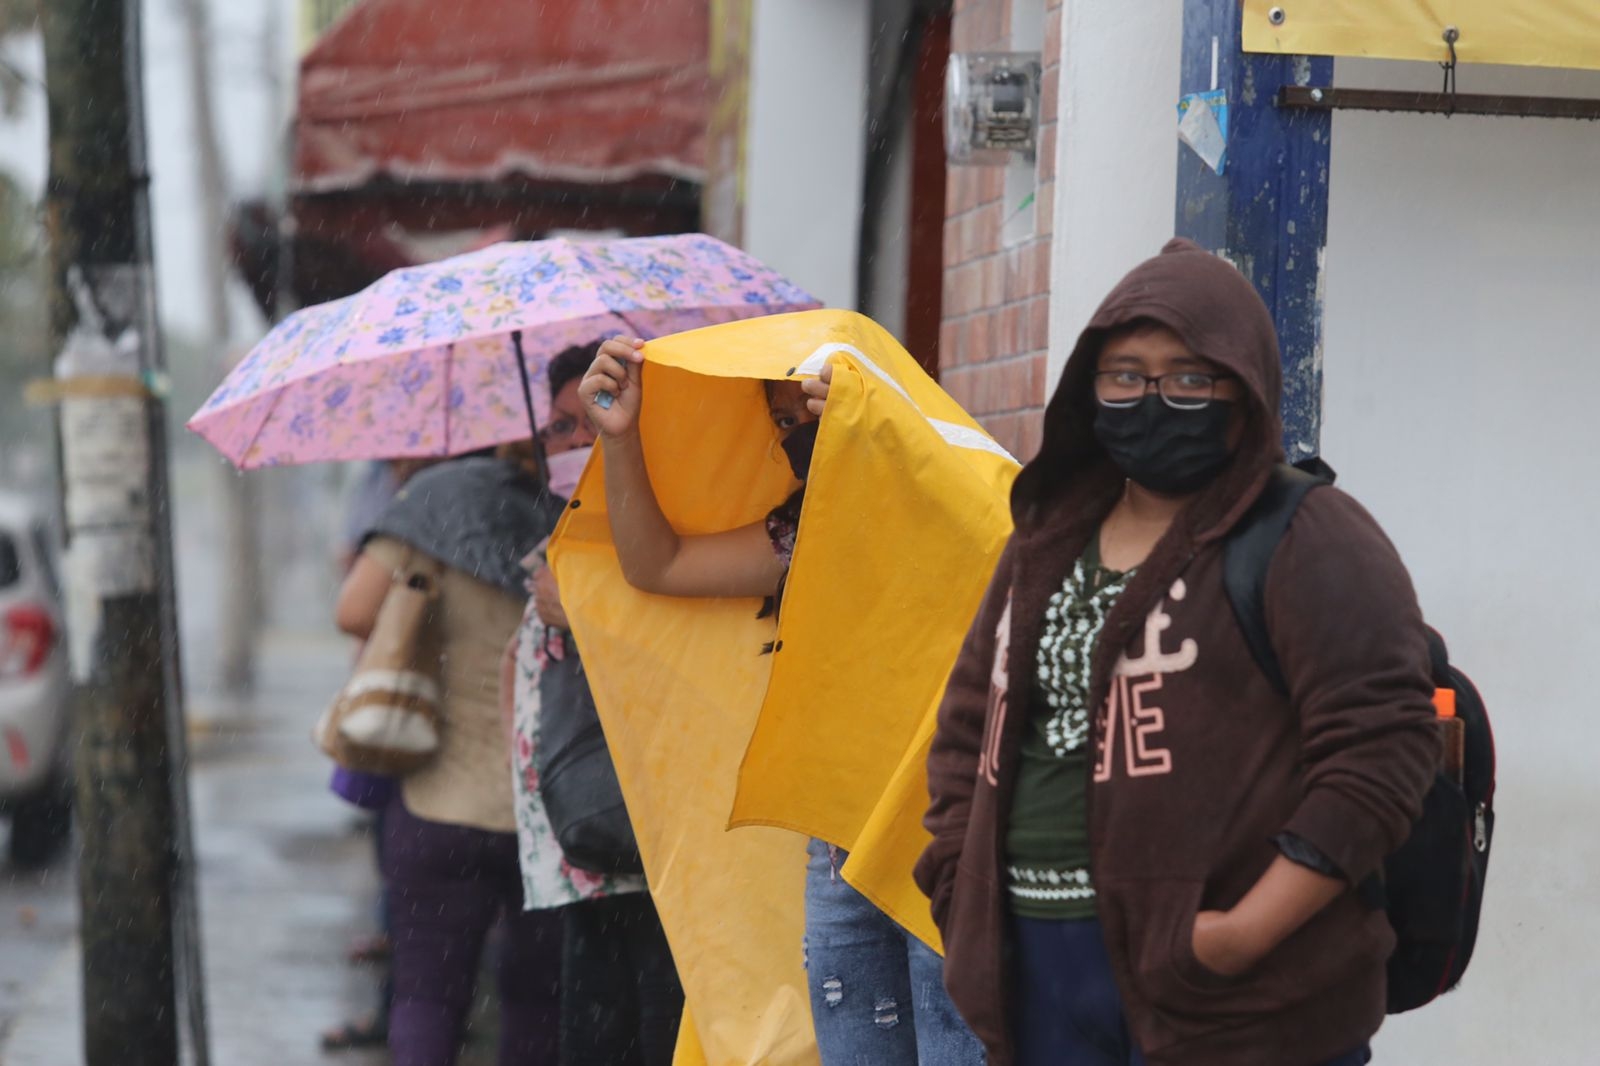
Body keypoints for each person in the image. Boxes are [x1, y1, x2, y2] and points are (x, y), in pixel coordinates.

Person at [914, 238, 1441, 1066]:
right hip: (1037, 983)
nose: (1151, 399)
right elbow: (965, 728)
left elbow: (1385, 749)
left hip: (1237, 1002)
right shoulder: (1046, 539)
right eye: (1124, 374)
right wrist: (961, 891)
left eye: (1188, 378)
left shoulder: (1308, 535)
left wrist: (1240, 935)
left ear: (1243, 389)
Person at [578, 336, 986, 1066]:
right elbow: (656, 563)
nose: (797, 431)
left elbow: (990, 534)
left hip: (954, 848)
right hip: (840, 851)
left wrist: (882, 427)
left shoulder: (970, 499)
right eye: (783, 421)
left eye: (812, 406)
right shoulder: (806, 531)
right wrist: (620, 439)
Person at [336, 449, 565, 1066]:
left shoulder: (433, 501)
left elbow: (353, 610)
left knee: (427, 996)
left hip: (437, 797)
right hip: (544, 812)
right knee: (538, 1000)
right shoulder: (573, 507)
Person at [501, 343, 686, 1066]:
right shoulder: (558, 540)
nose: (574, 439)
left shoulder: (669, 524)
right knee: (592, 1030)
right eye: (557, 428)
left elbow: (692, 655)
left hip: (648, 837)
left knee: (655, 1030)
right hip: (577, 845)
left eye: (592, 418)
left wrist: (585, 613)